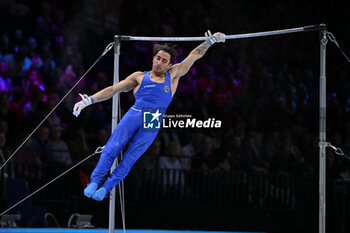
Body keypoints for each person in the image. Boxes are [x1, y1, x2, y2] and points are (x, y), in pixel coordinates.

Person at [73, 30, 225, 201]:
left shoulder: (173, 75)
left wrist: (211, 41)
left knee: (130, 157)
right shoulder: (139, 77)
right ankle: (94, 181)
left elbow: (194, 55)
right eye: (158, 58)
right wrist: (88, 101)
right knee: (112, 148)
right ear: (153, 58)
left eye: (164, 61)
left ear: (169, 65)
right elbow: (113, 89)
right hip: (135, 114)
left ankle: (106, 187)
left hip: (152, 120)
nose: (160, 63)